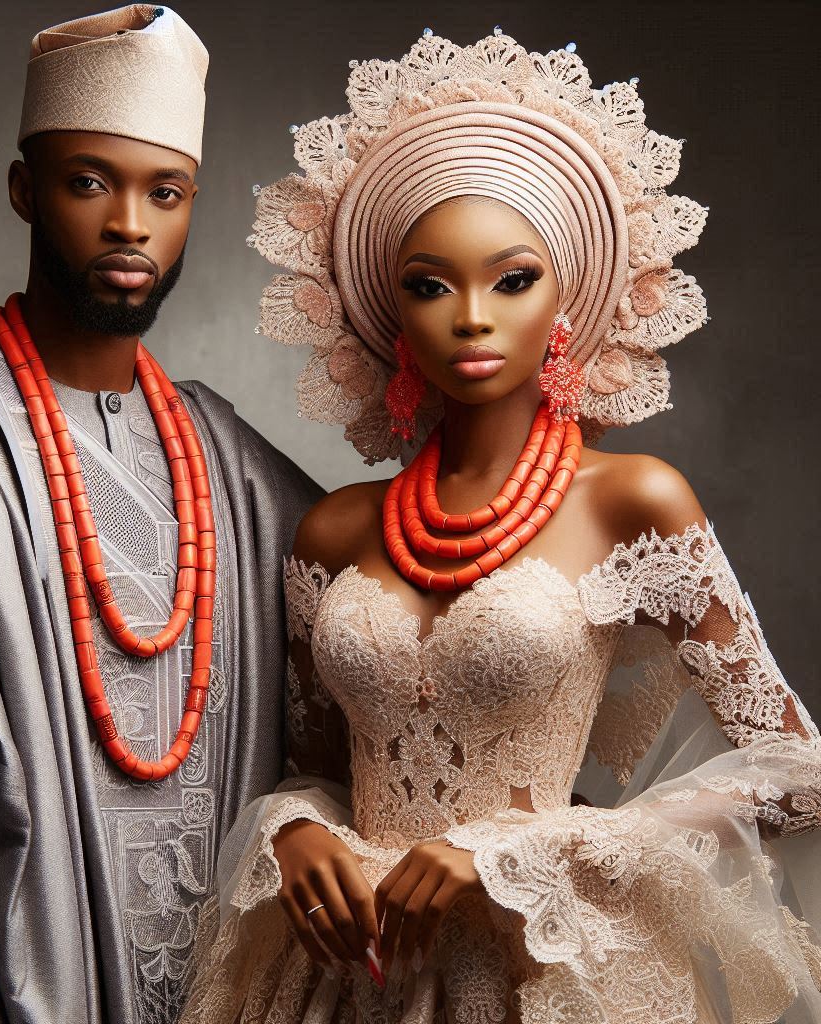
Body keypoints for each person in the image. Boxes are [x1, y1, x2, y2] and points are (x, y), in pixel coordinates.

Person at [179, 26, 821, 1024]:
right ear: (393, 314)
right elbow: (309, 763)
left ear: (565, 300)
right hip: (346, 981)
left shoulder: (631, 501)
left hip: (542, 977)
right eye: (430, 285)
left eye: (510, 279)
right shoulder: (337, 531)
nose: (470, 315)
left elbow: (796, 773)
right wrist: (294, 830)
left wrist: (526, 851)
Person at [0, 6, 319, 1023]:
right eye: (90, 182)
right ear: (24, 188)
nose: (130, 221)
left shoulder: (240, 472)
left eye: (163, 192)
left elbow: (365, 692)